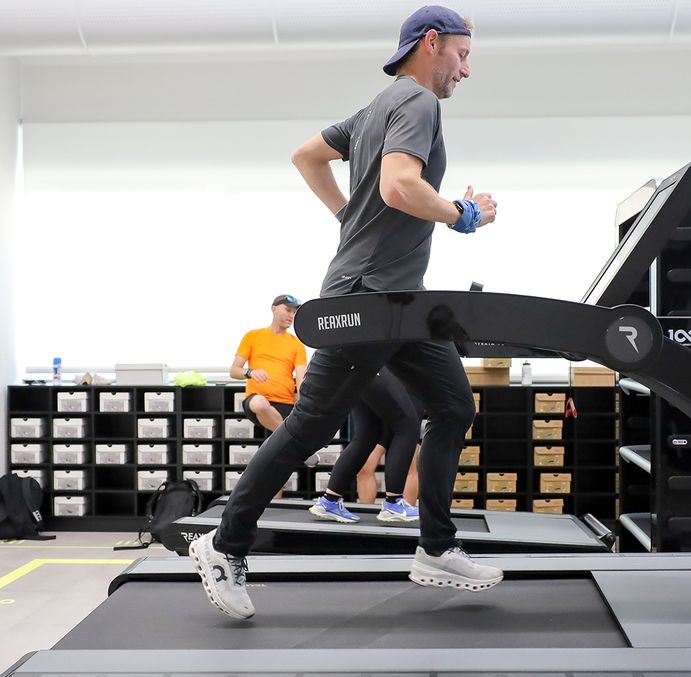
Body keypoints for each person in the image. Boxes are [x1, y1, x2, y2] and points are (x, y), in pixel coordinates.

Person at [190, 5, 499, 620]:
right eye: (462, 55)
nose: (466, 71)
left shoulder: (373, 109)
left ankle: (436, 547)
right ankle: (223, 545)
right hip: (369, 300)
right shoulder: (417, 103)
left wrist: (347, 218)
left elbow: (307, 155)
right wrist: (463, 215)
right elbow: (399, 187)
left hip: (399, 301)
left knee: (453, 405)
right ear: (431, 43)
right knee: (309, 423)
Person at [309, 368, 420, 523]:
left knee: (367, 435)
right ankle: (393, 504)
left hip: (355, 371)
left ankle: (329, 500)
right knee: (407, 427)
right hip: (375, 366)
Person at [231, 295, 309, 433]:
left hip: (286, 404)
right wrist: (251, 372)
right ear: (274, 309)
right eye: (288, 310)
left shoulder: (297, 344)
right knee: (260, 404)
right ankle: (291, 438)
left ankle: (288, 440)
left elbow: (301, 377)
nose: (291, 315)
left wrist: (303, 405)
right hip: (256, 400)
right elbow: (234, 371)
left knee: (279, 449)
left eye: (294, 312)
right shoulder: (252, 336)